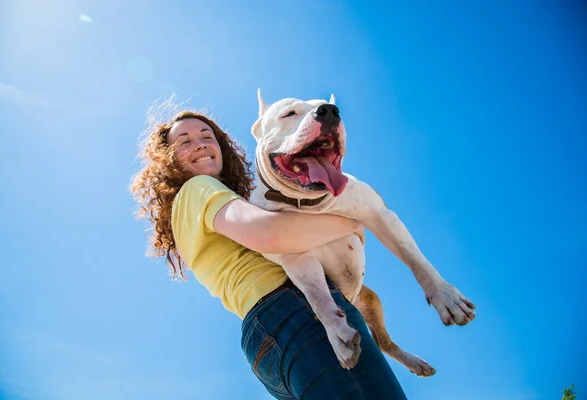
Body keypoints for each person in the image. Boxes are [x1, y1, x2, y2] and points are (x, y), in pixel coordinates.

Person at [130, 107, 408, 399]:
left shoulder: (189, 211)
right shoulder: (198, 188)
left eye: (206, 136)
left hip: (265, 340)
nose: (199, 143)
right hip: (294, 309)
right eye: (184, 141)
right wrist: (356, 219)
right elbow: (269, 234)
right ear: (168, 160)